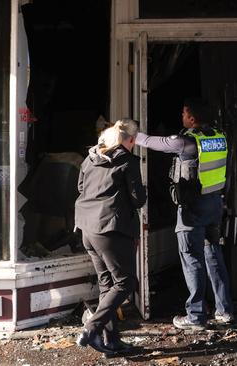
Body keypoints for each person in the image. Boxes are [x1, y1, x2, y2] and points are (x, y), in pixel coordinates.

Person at [136, 98, 233, 330]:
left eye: (183, 113)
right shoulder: (220, 137)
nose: (181, 117)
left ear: (191, 118)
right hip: (214, 204)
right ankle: (224, 310)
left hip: (193, 209)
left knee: (192, 259)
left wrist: (127, 133)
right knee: (213, 256)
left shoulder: (186, 142)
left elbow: (152, 142)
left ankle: (196, 316)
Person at [74, 119, 146, 354]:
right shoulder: (127, 161)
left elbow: (81, 188)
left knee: (107, 285)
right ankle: (91, 328)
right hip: (110, 230)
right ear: (131, 140)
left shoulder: (90, 158)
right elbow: (138, 199)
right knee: (125, 283)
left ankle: (111, 340)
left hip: (87, 228)